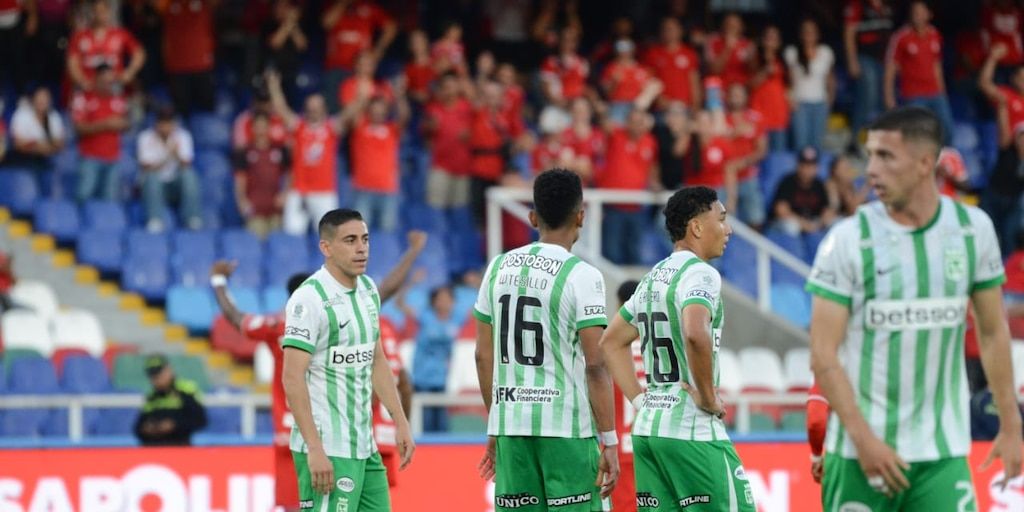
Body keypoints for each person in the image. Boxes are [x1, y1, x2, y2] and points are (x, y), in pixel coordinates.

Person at [805, 107, 1022, 510]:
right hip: (857, 456)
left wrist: (1011, 426)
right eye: (870, 155)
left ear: (925, 164)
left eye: (885, 156)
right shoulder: (847, 239)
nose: (871, 169)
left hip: (941, 454)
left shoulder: (973, 230)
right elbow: (822, 353)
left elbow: (993, 332)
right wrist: (865, 441)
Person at [210, 231, 423, 509]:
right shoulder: (332, 312)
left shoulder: (276, 326)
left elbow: (237, 318)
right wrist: (413, 252)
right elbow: (386, 291)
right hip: (329, 435)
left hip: (299, 432)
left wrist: (218, 282)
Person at [601, 186, 755, 511]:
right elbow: (695, 333)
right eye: (721, 219)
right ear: (696, 227)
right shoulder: (701, 274)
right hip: (691, 429)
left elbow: (611, 342)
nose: (728, 229)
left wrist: (641, 402)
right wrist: (708, 398)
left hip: (649, 432)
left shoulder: (652, 277)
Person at [475, 169, 619, 510]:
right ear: (581, 216)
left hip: (511, 427)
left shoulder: (497, 267)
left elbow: (483, 356)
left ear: (532, 217)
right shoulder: (583, 276)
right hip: (566, 429)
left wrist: (496, 423)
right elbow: (596, 364)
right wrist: (610, 440)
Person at [281, 208, 414, 511]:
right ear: (326, 247)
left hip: (365, 446)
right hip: (327, 447)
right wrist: (314, 448)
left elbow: (376, 359)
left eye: (365, 239)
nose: (361, 248)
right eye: (350, 240)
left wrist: (401, 421)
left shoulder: (368, 290)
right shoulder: (309, 299)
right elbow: (292, 377)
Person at [266, 72, 359, 236]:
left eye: (317, 107)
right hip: (299, 191)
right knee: (293, 235)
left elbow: (349, 113)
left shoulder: (331, 128)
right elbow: (281, 109)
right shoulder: (298, 126)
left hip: (324, 192)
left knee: (329, 238)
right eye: (311, 107)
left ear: (324, 109)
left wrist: (361, 94)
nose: (314, 110)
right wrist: (274, 87)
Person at [883, 1, 954, 145]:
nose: (918, 16)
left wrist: (942, 92)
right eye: (915, 12)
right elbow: (890, 69)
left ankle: (943, 157)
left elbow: (937, 65)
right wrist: (889, 99)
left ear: (929, 15)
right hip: (913, 95)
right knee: (918, 135)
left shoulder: (935, 34)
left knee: (947, 130)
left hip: (935, 93)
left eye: (921, 12)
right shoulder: (901, 37)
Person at [398, 282, 464, 432]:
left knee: (441, 426)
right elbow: (400, 304)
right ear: (434, 302)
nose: (445, 303)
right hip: (422, 379)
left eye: (448, 299)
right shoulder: (425, 317)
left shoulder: (457, 319)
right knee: (424, 425)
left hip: (442, 380)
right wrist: (409, 284)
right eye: (441, 299)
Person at [597, 108, 659, 265]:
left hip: (636, 207)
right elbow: (604, 121)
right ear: (626, 123)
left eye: (640, 122)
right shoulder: (616, 136)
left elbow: (652, 167)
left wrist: (654, 182)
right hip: (613, 207)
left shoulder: (650, 142)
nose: (636, 125)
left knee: (634, 252)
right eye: (633, 121)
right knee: (611, 253)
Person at [348, 80, 410, 233]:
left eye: (381, 111)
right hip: (363, 188)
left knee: (387, 232)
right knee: (360, 233)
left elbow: (405, 116)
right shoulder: (360, 128)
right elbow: (351, 116)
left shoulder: (392, 129)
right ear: (369, 111)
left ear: (386, 112)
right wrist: (362, 99)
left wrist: (399, 97)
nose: (377, 114)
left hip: (387, 189)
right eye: (374, 110)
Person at [322, 0, 397, 113]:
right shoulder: (335, 6)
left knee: (363, 106)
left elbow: (391, 27)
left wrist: (378, 51)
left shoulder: (368, 7)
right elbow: (326, 23)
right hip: (336, 68)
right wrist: (343, 4)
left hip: (361, 70)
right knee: (334, 108)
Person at [137, 106, 202, 232]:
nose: (165, 127)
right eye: (163, 123)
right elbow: (146, 167)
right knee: (151, 177)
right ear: (157, 123)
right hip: (153, 188)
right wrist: (168, 155)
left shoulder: (183, 136)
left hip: (176, 187)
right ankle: (154, 220)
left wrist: (176, 154)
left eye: (169, 123)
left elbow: (186, 165)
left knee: (189, 175)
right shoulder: (145, 137)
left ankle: (192, 219)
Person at [71, 63, 129, 203]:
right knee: (83, 196)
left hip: (113, 158)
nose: (108, 85)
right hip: (90, 158)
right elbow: (78, 128)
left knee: (110, 200)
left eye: (111, 82)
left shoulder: (118, 98)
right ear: (95, 79)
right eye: (105, 82)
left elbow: (126, 123)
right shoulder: (82, 98)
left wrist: (123, 124)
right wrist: (106, 124)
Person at [608, 280, 643, 512]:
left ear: (619, 305)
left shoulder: (609, 348)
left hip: (621, 447)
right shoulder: (659, 347)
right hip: (654, 443)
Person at [844, 0, 894, 150]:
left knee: (882, 100)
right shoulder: (857, 5)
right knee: (868, 97)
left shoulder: (887, 6)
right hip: (864, 57)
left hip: (884, 60)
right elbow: (849, 32)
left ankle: (882, 140)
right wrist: (852, 61)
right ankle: (855, 139)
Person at [233, 113, 290, 239]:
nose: (261, 131)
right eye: (258, 127)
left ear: (269, 128)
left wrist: (285, 194)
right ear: (252, 128)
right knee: (255, 242)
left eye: (263, 127)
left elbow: (290, 173)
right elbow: (240, 178)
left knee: (277, 243)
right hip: (255, 208)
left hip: (275, 208)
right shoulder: (245, 151)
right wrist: (241, 200)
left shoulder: (279, 150)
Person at [67, 0, 145, 91]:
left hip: (114, 89)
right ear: (91, 12)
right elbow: (72, 62)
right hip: (88, 89)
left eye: (103, 11)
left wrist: (129, 72)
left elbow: (139, 53)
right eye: (96, 11)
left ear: (109, 12)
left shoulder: (120, 34)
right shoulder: (79, 36)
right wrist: (81, 81)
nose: (99, 14)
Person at [134, 354, 208, 446]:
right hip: (152, 448)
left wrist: (174, 425)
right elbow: (138, 428)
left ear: (169, 370)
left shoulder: (186, 390)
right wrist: (148, 428)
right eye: (152, 375)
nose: (156, 378)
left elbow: (199, 420)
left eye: (159, 373)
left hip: (179, 447)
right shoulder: (151, 397)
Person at [784, 18, 835, 152]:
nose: (809, 34)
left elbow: (830, 79)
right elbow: (788, 81)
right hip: (800, 103)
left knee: (817, 144)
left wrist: (829, 101)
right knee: (800, 144)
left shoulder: (825, 52)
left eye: (812, 31)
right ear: (800, 34)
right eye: (805, 31)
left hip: (820, 103)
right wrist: (790, 100)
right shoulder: (792, 52)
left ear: (818, 34)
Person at [158, 0, 217, 115]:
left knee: (207, 110)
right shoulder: (167, 4)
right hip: (177, 66)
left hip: (202, 64)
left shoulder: (204, 3)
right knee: (180, 111)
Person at [725, 83, 767, 229]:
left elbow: (762, 150)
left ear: (746, 97)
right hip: (723, 178)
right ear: (727, 97)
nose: (736, 98)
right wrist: (733, 134)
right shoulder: (720, 118)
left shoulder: (755, 118)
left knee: (756, 221)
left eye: (739, 94)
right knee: (725, 222)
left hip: (748, 174)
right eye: (733, 95)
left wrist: (745, 162)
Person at [769, 146, 835, 236]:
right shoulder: (788, 181)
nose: (807, 169)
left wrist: (823, 220)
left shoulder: (819, 184)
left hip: (812, 221)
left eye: (811, 166)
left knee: (835, 222)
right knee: (791, 226)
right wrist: (804, 224)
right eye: (804, 165)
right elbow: (781, 210)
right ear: (798, 165)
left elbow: (827, 208)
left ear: (817, 168)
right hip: (791, 221)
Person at [9, 86, 65, 190]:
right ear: (33, 99)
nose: (42, 101)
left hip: (47, 160)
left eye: (45, 98)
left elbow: (60, 143)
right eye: (39, 98)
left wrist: (41, 146)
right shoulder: (22, 115)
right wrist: (39, 145)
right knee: (27, 192)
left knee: (50, 186)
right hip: (24, 162)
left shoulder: (53, 116)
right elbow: (18, 143)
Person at [806, 381, 830, 484]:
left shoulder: (830, 372)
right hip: (879, 453)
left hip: (845, 459)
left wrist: (817, 457)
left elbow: (816, 421)